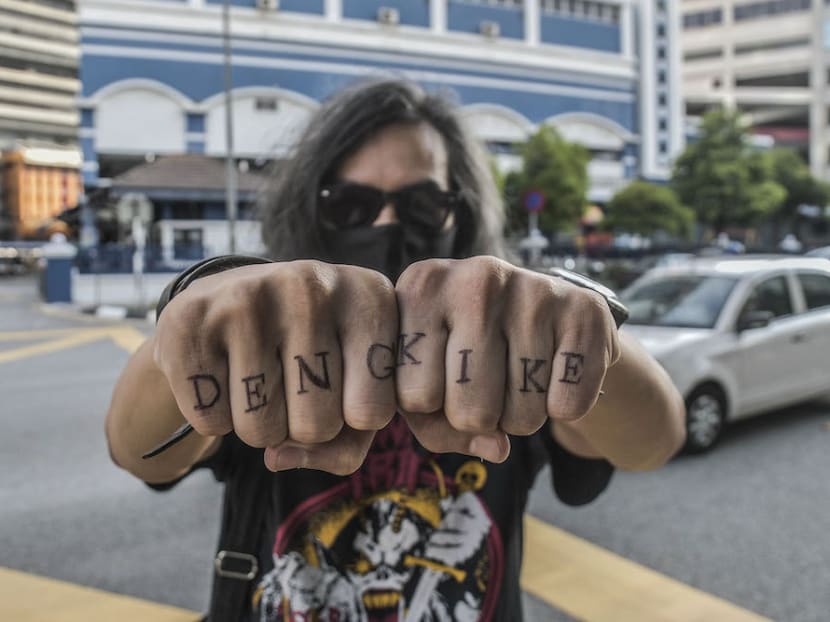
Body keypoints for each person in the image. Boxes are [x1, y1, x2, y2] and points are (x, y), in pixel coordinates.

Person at [106, 78, 685, 621]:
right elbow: (141, 452)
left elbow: (653, 442)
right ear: (312, 208)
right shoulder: (265, 339)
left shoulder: (508, 348)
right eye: (351, 204)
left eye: (421, 205)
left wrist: (578, 314)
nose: (386, 224)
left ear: (458, 213)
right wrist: (196, 310)